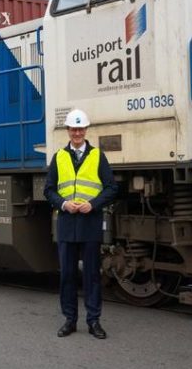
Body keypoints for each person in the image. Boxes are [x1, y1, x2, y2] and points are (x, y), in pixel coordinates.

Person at [43, 109, 118, 339]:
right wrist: (64, 204)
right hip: (67, 224)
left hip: (90, 223)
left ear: (86, 130)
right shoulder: (59, 157)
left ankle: (94, 321)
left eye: (80, 129)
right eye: (73, 129)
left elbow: (111, 188)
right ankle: (70, 320)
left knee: (92, 276)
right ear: (68, 130)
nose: (77, 133)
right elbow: (48, 190)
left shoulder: (97, 156)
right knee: (67, 275)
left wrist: (92, 204)